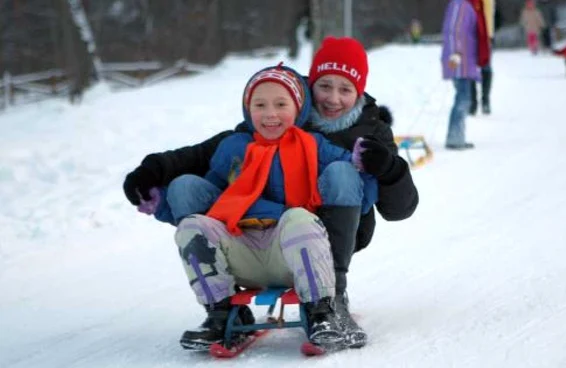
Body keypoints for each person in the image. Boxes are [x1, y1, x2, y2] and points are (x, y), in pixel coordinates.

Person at [123, 36, 419, 349]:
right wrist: (153, 172)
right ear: (308, 87)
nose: (333, 98)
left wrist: (388, 168)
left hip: (326, 232)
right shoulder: (278, 105)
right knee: (185, 186)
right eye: (324, 86)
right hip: (258, 233)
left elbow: (399, 209)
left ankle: (331, 299)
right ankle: (222, 307)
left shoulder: (369, 130)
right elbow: (203, 155)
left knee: (339, 175)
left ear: (359, 92)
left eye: (345, 89)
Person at [173, 63, 377, 350]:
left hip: (293, 256)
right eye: (260, 105)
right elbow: (212, 199)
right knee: (192, 225)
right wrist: (164, 204)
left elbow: (354, 181)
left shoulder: (314, 145)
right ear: (248, 110)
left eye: (281, 104)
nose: (270, 114)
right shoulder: (233, 148)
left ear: (298, 110)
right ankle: (220, 313)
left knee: (298, 218)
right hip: (242, 250)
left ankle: (322, 311)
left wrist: (367, 163)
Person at [440, 0, 491, 150]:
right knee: (463, 99)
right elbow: (453, 31)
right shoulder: (460, 4)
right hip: (459, 60)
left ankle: (455, 137)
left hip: (465, 60)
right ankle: (455, 138)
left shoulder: (467, 5)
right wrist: (455, 52)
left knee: (463, 99)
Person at [469, 0, 496, 116]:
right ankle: (472, 102)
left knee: (486, 66)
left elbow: (491, 12)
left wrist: (490, 33)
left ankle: (485, 100)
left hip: (486, 34)